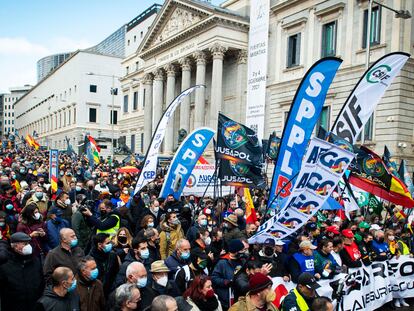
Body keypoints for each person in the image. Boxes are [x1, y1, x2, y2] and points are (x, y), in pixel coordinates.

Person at [0, 232, 44, 311]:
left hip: (35, 306)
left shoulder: (36, 261)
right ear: (15, 246)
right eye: (25, 243)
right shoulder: (5, 265)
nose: (28, 246)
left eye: (28, 243)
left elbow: (42, 282)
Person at [212, 239, 246, 310]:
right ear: (235, 251)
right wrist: (225, 282)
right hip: (226, 299)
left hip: (240, 298)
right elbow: (214, 278)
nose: (244, 252)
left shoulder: (243, 261)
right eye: (242, 250)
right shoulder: (222, 262)